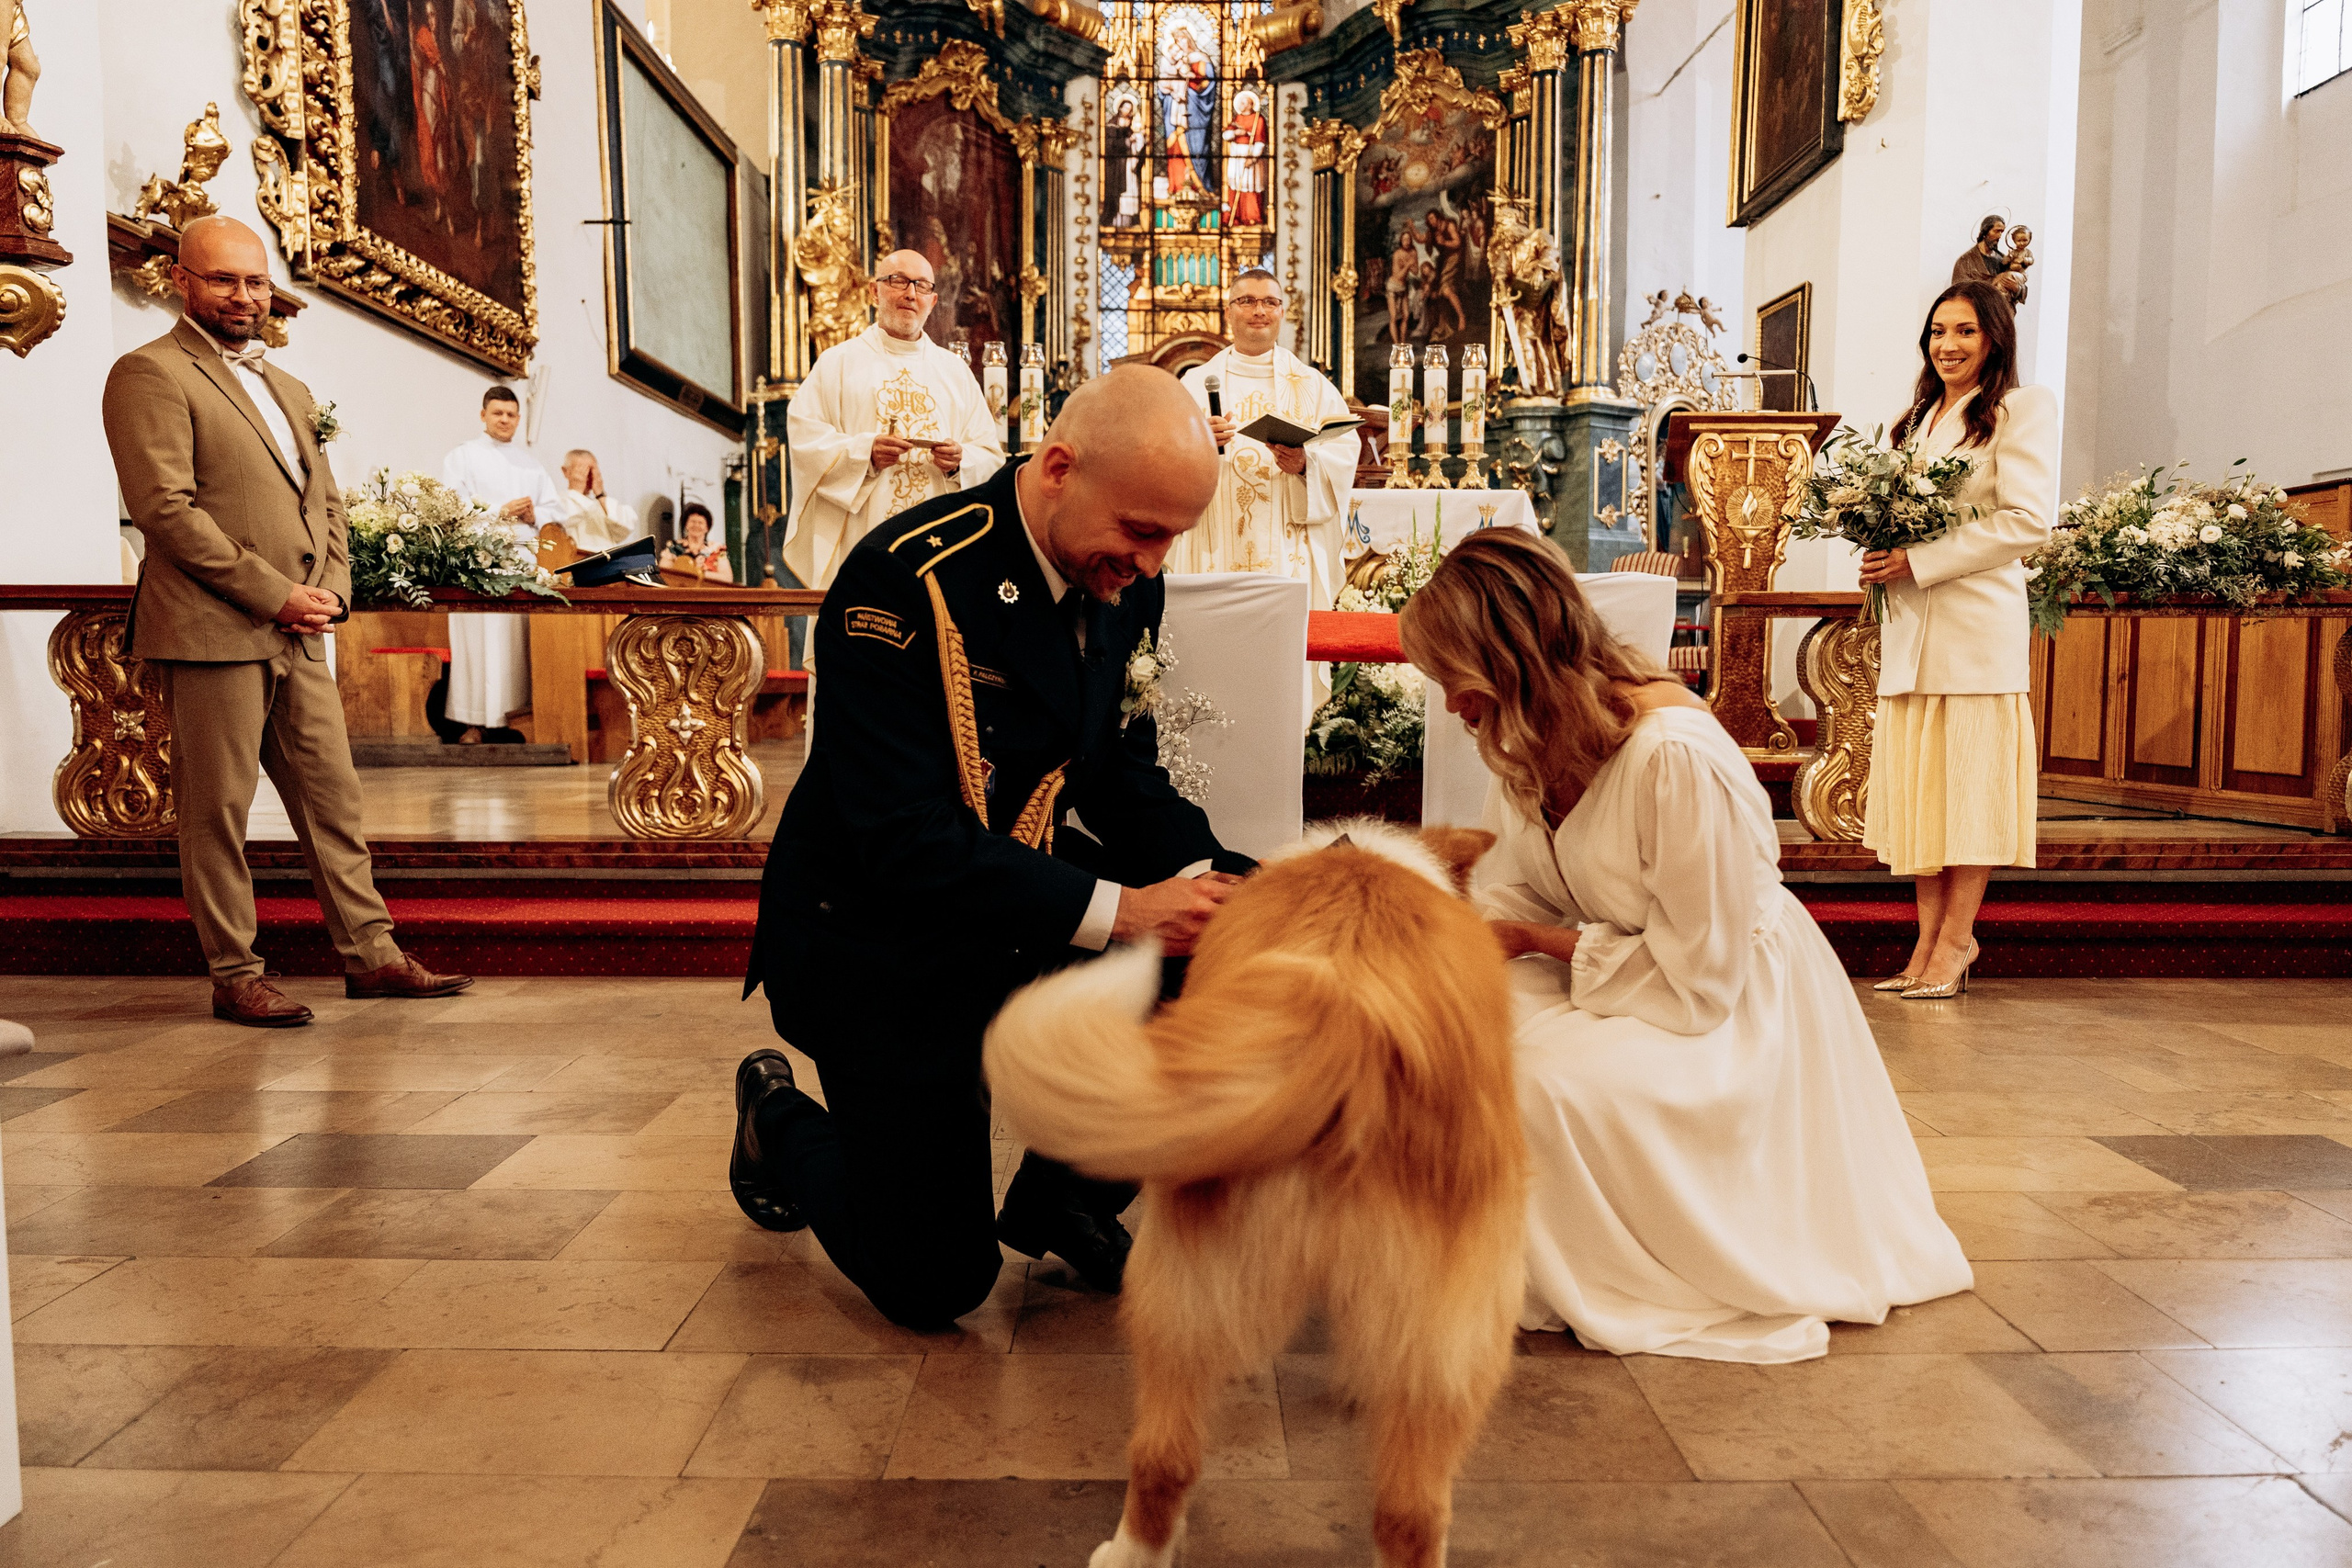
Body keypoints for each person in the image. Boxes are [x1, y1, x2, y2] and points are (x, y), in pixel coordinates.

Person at [733, 365, 1255, 1329]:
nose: (1152, 560)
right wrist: (1124, 912)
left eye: (1173, 536)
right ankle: (774, 1120)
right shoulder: (904, 577)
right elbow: (904, 839)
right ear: (1058, 467)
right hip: (880, 943)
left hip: (1011, 909)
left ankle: (1067, 1192)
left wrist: (1216, 882)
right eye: (1143, 530)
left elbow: (1118, 775)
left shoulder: (1124, 577)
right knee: (937, 1283)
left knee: (1230, 957)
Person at [1398, 529, 1969, 1362]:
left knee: (1542, 1087)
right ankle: (1463, 1259)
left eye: (1457, 680)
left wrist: (1528, 939)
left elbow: (1701, 973)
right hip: (1613, 962)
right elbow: (1518, 884)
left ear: (1511, 660)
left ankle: (1609, 1271)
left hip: (1727, 1001)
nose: (1453, 706)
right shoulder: (1530, 730)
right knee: (1442, 1038)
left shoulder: (1671, 756)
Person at [100, 216, 472, 1026]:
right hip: (210, 629)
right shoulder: (149, 372)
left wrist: (332, 587)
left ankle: (371, 954)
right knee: (218, 810)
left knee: (332, 799)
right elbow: (163, 510)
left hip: (302, 629)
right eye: (225, 280)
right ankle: (236, 973)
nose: (244, 296)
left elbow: (325, 502)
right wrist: (275, 592)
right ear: (181, 282)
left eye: (256, 281)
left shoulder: (290, 389)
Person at [1859, 281, 2057, 998]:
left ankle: (1955, 943)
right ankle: (1923, 946)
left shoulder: (2018, 409)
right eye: (1938, 330)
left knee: (1968, 793)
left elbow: (2029, 520)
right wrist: (1880, 552)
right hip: (1912, 626)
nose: (1949, 344)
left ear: (1994, 338)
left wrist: (1923, 559)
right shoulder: (1912, 421)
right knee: (1923, 796)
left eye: (1965, 331)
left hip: (1975, 626)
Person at [782, 249, 1006, 592]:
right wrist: (865, 453)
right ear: (875, 292)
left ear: (932, 302)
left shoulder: (955, 372)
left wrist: (961, 462)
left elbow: (991, 457)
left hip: (937, 548)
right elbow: (805, 438)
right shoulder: (837, 363)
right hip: (863, 539)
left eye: (921, 286)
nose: (909, 293)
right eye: (898, 281)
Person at [1173, 268, 1356, 615]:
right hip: (1214, 551)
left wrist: (1306, 465)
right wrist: (1198, 445)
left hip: (1289, 557)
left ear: (1282, 312)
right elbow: (1161, 462)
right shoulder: (1194, 385)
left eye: (1270, 302)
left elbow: (1344, 451)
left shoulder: (1313, 385)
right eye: (1247, 301)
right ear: (1228, 311)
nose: (1259, 311)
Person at [442, 385, 562, 744]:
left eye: (511, 415)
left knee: (515, 645)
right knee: (478, 644)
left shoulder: (532, 464)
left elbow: (556, 512)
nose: (504, 420)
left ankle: (518, 717)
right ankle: (472, 722)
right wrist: (499, 512)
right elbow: (452, 509)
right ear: (483, 415)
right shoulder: (461, 457)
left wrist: (535, 513)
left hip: (521, 563)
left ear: (518, 419)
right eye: (497, 413)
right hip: (477, 564)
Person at [556, 448, 640, 553]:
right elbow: (559, 525)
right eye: (581, 469)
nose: (588, 475)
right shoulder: (558, 500)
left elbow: (627, 526)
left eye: (592, 470)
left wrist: (600, 494)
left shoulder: (602, 504)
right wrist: (577, 490)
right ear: (565, 471)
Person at [1222, 89, 1268, 227]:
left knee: (1250, 185)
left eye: (1244, 102)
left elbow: (1260, 141)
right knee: (1235, 184)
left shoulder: (1258, 120)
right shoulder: (1237, 119)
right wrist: (1236, 132)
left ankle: (1252, 216)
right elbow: (1226, 135)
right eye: (1240, 102)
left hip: (1250, 154)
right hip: (1236, 154)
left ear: (1250, 104)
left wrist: (1252, 158)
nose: (1241, 105)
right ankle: (1236, 215)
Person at [662, 500, 732, 582]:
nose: (696, 525)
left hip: (708, 593)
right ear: (686, 525)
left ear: (707, 528)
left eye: (700, 522)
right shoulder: (674, 547)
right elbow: (663, 574)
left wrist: (700, 573)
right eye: (693, 522)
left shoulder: (716, 549)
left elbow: (727, 578)